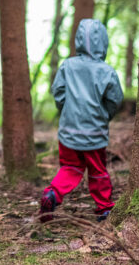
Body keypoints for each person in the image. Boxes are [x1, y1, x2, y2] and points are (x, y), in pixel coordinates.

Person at [40, 19, 123, 222]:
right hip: (94, 131)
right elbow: (115, 100)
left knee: (70, 167)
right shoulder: (107, 71)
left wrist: (66, 111)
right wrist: (105, 115)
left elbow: (58, 92)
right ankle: (104, 208)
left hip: (69, 129)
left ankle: (53, 194)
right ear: (103, 42)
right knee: (98, 170)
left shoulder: (67, 66)